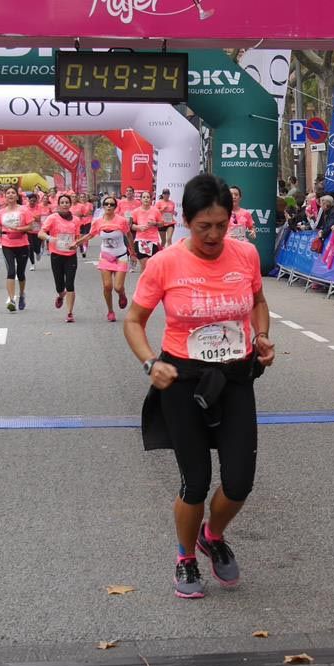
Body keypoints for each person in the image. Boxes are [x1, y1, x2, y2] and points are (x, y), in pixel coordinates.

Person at [124, 174, 275, 600]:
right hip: (182, 379)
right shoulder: (165, 263)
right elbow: (133, 320)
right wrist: (150, 363)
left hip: (234, 375)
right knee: (195, 481)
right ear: (186, 221)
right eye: (203, 226)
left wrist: (262, 336)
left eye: (221, 225)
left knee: (240, 481)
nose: (212, 235)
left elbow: (258, 302)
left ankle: (213, 534)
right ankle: (186, 557)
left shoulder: (245, 255)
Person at [39, 194, 90, 323]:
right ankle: (61, 295)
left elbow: (77, 237)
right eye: (62, 202)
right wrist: (50, 238)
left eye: (67, 202)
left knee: (70, 283)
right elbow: (41, 233)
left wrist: (77, 244)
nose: (65, 204)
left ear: (70, 204)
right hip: (56, 255)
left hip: (70, 255)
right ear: (58, 204)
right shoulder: (52, 218)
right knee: (59, 285)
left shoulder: (76, 220)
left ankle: (69, 312)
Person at [89, 196, 135, 322]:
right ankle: (110, 311)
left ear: (115, 207)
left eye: (112, 204)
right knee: (107, 286)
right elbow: (90, 235)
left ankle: (122, 294)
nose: (109, 206)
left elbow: (129, 235)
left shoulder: (121, 221)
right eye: (106, 204)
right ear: (103, 206)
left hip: (121, 256)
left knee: (118, 287)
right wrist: (77, 243)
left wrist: (133, 252)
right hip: (105, 257)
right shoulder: (98, 222)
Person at [0, 186, 35, 312]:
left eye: (13, 193)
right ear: (5, 196)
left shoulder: (24, 210)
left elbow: (30, 226)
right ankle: (11, 300)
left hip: (22, 244)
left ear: (17, 196)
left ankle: (22, 295)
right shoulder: (1, 212)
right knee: (11, 271)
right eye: (8, 193)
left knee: (20, 273)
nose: (10, 195)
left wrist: (18, 229)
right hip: (7, 244)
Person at [131, 191, 163, 271]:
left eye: (148, 197)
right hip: (140, 240)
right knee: (144, 264)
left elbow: (162, 224)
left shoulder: (155, 211)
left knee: (151, 266)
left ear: (151, 199)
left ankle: (150, 279)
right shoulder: (136, 211)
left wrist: (154, 223)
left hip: (153, 241)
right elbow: (130, 225)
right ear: (141, 199)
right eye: (144, 197)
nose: (146, 199)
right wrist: (138, 227)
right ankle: (144, 279)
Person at [26, 192, 48, 270]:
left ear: (36, 201)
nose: (32, 202)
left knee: (37, 248)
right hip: (28, 231)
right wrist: (33, 217)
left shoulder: (39, 208)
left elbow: (39, 219)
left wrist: (31, 216)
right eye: (31, 200)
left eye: (34, 201)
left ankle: (38, 252)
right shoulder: (25, 208)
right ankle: (32, 264)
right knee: (30, 248)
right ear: (28, 200)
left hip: (37, 231)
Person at [72, 193, 94, 257]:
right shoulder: (77, 205)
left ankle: (84, 249)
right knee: (80, 236)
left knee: (86, 236)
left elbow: (90, 213)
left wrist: (82, 215)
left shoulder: (89, 204)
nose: (82, 198)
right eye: (81, 197)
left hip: (88, 221)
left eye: (83, 197)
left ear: (86, 198)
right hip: (79, 223)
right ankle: (81, 247)